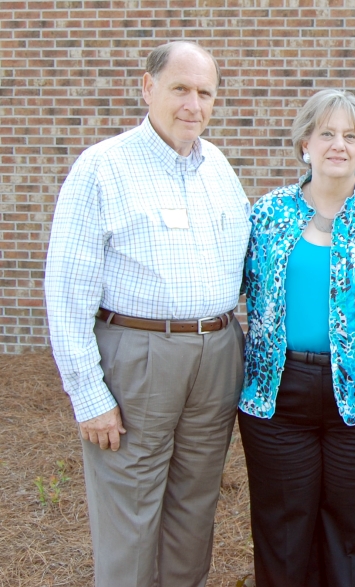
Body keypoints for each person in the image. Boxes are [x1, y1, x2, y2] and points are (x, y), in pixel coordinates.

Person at [44, 41, 250, 587]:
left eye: (204, 92)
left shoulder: (219, 168)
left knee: (194, 508)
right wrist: (88, 395)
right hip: (138, 357)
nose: (193, 103)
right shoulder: (103, 168)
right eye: (180, 88)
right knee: (130, 518)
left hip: (217, 357)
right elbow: (66, 291)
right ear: (147, 87)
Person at [237, 89, 355, 587]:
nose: (338, 144)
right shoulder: (267, 215)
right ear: (305, 144)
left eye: (350, 135)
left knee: (352, 534)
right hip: (277, 398)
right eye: (327, 133)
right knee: (283, 534)